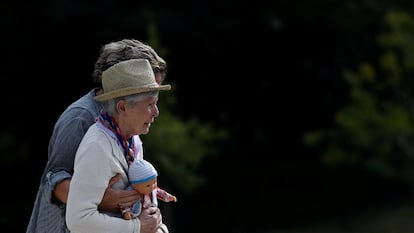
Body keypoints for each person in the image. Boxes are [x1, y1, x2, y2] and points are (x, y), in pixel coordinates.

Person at [26, 39, 169, 233]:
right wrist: (105, 199)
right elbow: (55, 181)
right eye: (147, 87)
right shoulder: (81, 118)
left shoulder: (128, 129)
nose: (155, 109)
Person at [65, 58, 171, 233]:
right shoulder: (97, 146)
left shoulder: (132, 140)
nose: (156, 112)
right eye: (150, 105)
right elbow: (78, 220)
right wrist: (137, 226)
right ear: (122, 107)